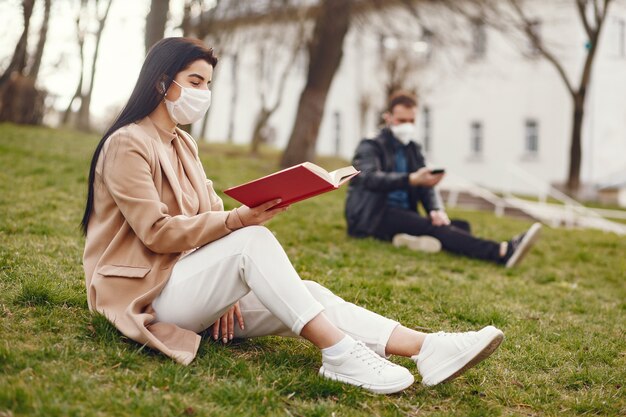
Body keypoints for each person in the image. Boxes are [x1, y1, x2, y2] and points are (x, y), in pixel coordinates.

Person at [81, 38, 504, 394]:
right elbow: (156, 232)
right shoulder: (127, 143)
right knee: (251, 240)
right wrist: (236, 225)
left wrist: (221, 284)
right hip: (146, 296)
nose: (203, 93)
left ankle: (428, 348)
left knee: (311, 293)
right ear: (161, 82)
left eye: (208, 84)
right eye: (195, 81)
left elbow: (209, 213)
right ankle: (338, 353)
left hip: (184, 282)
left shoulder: (183, 145)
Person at [345, 91, 542, 268]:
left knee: (459, 226)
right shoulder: (370, 145)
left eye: (411, 121)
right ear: (388, 118)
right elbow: (369, 178)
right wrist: (410, 179)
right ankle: (501, 251)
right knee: (440, 230)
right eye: (401, 120)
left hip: (403, 213)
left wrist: (435, 210)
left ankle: (410, 238)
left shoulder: (413, 148)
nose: (407, 126)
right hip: (373, 215)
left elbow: (426, 185)